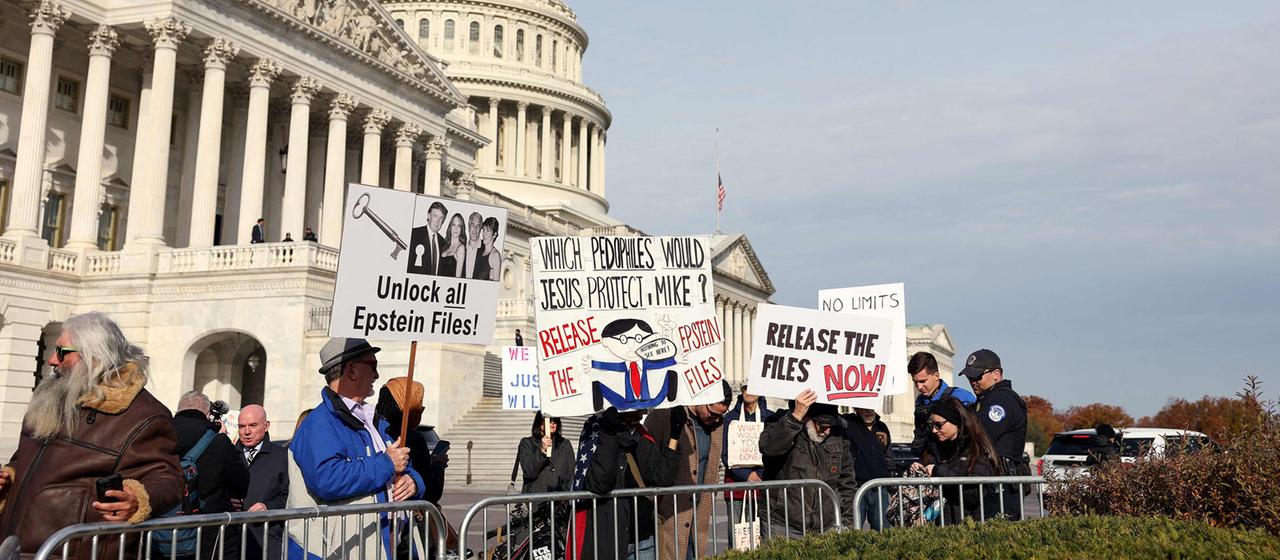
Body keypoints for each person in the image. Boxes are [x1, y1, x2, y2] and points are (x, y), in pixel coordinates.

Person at [0, 312, 182, 558]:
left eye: (63, 352)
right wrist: (9, 476)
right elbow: (24, 459)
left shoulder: (143, 415)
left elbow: (168, 478)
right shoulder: (51, 398)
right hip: (17, 548)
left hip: (75, 551)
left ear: (95, 356)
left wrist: (138, 498)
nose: (53, 360)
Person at [287, 338, 426, 560]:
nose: (377, 375)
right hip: (340, 550)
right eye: (372, 366)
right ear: (351, 370)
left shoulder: (374, 421)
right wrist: (387, 464)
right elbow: (326, 478)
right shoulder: (319, 423)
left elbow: (402, 464)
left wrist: (413, 482)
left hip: (386, 545)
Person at [570, 408, 681, 560]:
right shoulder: (596, 427)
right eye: (636, 410)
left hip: (643, 538)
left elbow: (661, 477)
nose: (642, 414)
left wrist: (674, 435)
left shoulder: (641, 434)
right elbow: (600, 483)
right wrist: (609, 434)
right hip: (609, 539)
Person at [643, 381, 732, 560]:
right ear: (701, 398)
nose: (715, 419)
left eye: (720, 416)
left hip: (699, 512)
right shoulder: (665, 416)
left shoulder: (717, 426)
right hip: (668, 513)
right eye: (713, 413)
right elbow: (646, 459)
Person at [759, 389, 856, 538]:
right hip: (783, 524)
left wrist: (847, 523)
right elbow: (769, 448)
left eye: (830, 425)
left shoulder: (839, 434)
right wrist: (795, 417)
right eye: (821, 426)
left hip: (827, 525)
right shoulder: (780, 422)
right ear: (806, 418)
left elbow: (847, 482)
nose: (826, 431)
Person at [168, 391, 250, 560]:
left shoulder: (160, 433)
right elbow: (241, 480)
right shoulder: (215, 438)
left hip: (163, 528)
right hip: (210, 528)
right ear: (207, 413)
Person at [961, 348, 1029, 519]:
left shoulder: (1001, 401)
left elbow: (980, 436)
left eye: (977, 376)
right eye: (970, 377)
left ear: (996, 374)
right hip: (992, 480)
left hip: (1001, 482)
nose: (972, 381)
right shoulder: (985, 400)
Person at [910, 398, 1002, 523]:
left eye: (939, 425)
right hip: (938, 523)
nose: (934, 430)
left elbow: (974, 494)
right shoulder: (934, 446)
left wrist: (937, 473)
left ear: (956, 422)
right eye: (932, 424)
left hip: (966, 523)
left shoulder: (975, 450)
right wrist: (921, 467)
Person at [374, 377, 446, 506]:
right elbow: (431, 491)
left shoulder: (371, 429)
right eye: (419, 403)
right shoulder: (412, 437)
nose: (421, 408)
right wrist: (437, 465)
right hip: (406, 519)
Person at [583, 318, 679, 410]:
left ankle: (671, 379)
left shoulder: (647, 362)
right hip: (627, 403)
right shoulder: (623, 366)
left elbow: (659, 364)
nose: (631, 345)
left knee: (657, 399)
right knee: (620, 404)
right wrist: (592, 363)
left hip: (649, 401)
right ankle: (598, 387)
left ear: (653, 338)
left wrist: (675, 360)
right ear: (606, 342)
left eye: (639, 339)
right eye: (623, 340)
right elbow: (610, 366)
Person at [234, 404, 290, 560]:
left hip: (267, 541)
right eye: (241, 426)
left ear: (266, 426)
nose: (246, 432)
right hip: (232, 542)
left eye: (253, 425)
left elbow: (290, 497)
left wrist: (268, 507)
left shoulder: (282, 456)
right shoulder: (229, 454)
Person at [909, 351, 976, 464]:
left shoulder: (960, 396)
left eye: (923, 381)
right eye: (915, 382)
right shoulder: (920, 402)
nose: (919, 387)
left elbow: (975, 435)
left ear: (936, 376)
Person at [721, 387, 769, 531]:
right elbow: (726, 453)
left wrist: (759, 475)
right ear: (741, 391)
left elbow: (774, 453)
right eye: (746, 387)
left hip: (763, 486)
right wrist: (747, 475)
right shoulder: (729, 419)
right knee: (737, 535)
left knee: (760, 534)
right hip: (736, 487)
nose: (750, 391)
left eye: (754, 386)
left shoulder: (770, 418)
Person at [843, 407, 892, 530]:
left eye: (870, 407)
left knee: (882, 529)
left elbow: (888, 456)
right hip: (856, 486)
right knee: (854, 528)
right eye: (863, 407)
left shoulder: (882, 427)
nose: (868, 411)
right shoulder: (849, 424)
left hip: (879, 486)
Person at [515, 412, 574, 493]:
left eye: (555, 420)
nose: (552, 422)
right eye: (549, 420)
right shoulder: (527, 443)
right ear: (539, 423)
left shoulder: (565, 444)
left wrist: (563, 497)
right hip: (535, 500)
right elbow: (529, 472)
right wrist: (542, 451)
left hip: (558, 501)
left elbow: (570, 473)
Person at [407, 201, 447, 275]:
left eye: (441, 218)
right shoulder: (414, 234)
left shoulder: (443, 243)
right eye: (435, 216)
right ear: (429, 216)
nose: (437, 221)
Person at [438, 214, 467, 278]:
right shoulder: (444, 245)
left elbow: (458, 277)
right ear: (450, 227)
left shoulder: (461, 248)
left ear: (461, 229)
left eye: (459, 226)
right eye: (453, 225)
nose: (456, 228)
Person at [475, 216, 501, 281]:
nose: (484, 234)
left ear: (494, 235)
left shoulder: (495, 256)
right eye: (483, 230)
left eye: (488, 231)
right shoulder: (479, 250)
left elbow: (495, 283)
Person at [463, 211, 483, 278]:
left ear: (481, 228)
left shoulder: (486, 249)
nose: (475, 229)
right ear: (468, 226)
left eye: (478, 226)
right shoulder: (462, 247)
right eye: (473, 225)